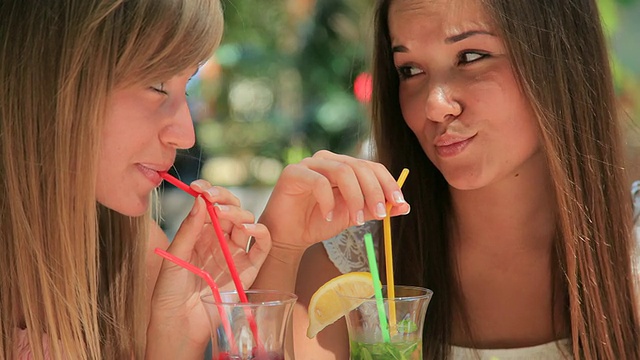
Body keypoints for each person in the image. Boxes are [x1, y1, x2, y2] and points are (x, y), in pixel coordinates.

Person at [252, 0, 640, 358]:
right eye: (410, 70)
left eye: (471, 57)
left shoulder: (631, 249)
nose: (434, 106)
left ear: (562, 60)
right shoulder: (350, 264)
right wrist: (282, 247)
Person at [0, 1, 272, 359]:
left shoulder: (139, 261)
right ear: (53, 76)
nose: (186, 136)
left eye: (186, 87)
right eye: (158, 84)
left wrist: (174, 340)